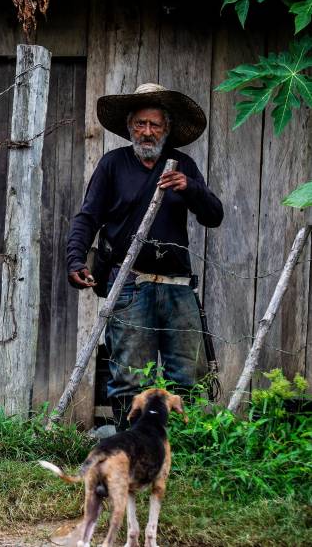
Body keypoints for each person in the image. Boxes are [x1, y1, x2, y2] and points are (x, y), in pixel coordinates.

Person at [66, 83, 223, 430]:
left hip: (178, 287)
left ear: (167, 129)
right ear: (129, 127)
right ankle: (130, 444)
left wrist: (191, 187)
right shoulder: (112, 165)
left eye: (154, 124)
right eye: (140, 124)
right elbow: (87, 217)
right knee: (129, 378)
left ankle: (182, 451)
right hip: (130, 283)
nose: (147, 131)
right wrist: (75, 259)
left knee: (188, 374)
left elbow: (214, 215)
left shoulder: (183, 165)